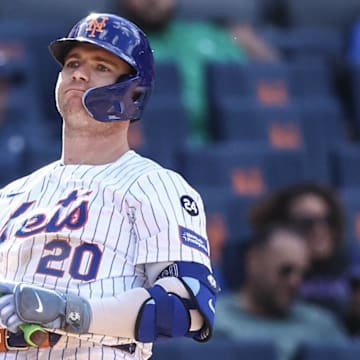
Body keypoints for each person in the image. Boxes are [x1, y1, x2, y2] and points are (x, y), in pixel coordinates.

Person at [0, 13, 220, 360]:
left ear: (134, 92)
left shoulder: (154, 185)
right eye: (72, 63)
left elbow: (187, 308)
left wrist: (69, 311)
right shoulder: (10, 197)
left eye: (101, 66)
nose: (79, 73)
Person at [117, 0, 280, 145]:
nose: (153, 1)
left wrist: (252, 43)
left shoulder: (208, 35)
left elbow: (270, 77)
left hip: (216, 154)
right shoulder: (110, 48)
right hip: (147, 157)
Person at [213, 224, 347, 360]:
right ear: (253, 261)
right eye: (286, 271)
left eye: (302, 274)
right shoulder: (213, 322)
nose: (295, 282)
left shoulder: (322, 327)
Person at [248, 182, 349, 316]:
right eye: (307, 223)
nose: (320, 230)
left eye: (328, 220)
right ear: (282, 226)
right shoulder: (268, 270)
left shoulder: (351, 266)